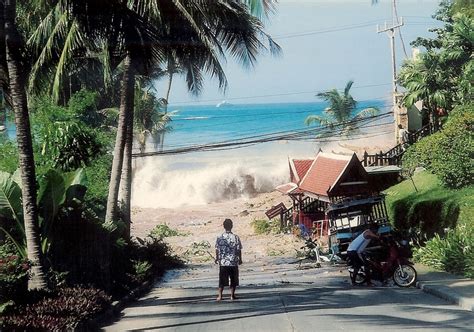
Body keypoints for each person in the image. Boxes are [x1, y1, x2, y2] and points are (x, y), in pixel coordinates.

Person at [215, 218, 242, 301]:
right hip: (233, 262)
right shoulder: (235, 237)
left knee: (222, 280)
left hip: (223, 262)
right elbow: (238, 249)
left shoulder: (220, 237)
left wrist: (217, 258)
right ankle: (232, 295)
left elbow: (217, 249)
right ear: (232, 226)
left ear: (224, 226)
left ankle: (220, 296)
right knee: (233, 279)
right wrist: (240, 259)